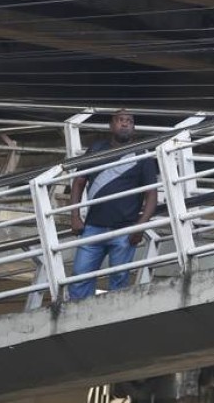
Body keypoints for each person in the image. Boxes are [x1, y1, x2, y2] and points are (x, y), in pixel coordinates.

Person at [66, 110, 158, 298]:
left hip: (125, 231)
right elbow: (79, 182)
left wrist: (140, 227)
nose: (125, 124)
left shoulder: (143, 155)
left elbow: (152, 194)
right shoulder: (96, 149)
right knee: (79, 279)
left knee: (119, 283)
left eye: (129, 121)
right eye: (120, 120)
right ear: (111, 125)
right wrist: (74, 216)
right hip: (92, 228)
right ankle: (80, 324)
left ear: (133, 127)